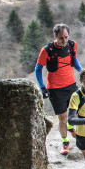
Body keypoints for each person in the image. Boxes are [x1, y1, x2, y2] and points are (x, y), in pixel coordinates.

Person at [35, 23, 82, 155]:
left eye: (66, 37)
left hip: (71, 85)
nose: (64, 40)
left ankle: (72, 128)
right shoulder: (47, 50)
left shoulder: (72, 45)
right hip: (55, 89)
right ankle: (65, 141)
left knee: (77, 111)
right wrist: (42, 87)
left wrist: (81, 71)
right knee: (63, 117)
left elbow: (74, 59)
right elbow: (38, 69)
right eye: (61, 38)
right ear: (55, 36)